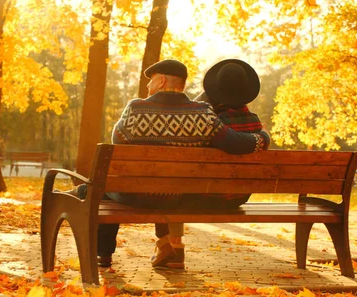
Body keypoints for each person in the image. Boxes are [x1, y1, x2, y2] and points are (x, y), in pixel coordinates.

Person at [95, 59, 270, 268]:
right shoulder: (203, 113)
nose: (147, 87)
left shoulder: (135, 109)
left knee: (105, 189)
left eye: (150, 81)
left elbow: (117, 140)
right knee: (164, 185)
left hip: (138, 195)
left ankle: (103, 253)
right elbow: (236, 142)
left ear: (160, 81)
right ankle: (164, 243)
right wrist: (264, 138)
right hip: (176, 196)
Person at [160, 59, 270, 269]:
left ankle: (175, 249)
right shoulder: (255, 123)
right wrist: (265, 135)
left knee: (175, 188)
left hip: (203, 197)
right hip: (238, 198)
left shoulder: (209, 124)